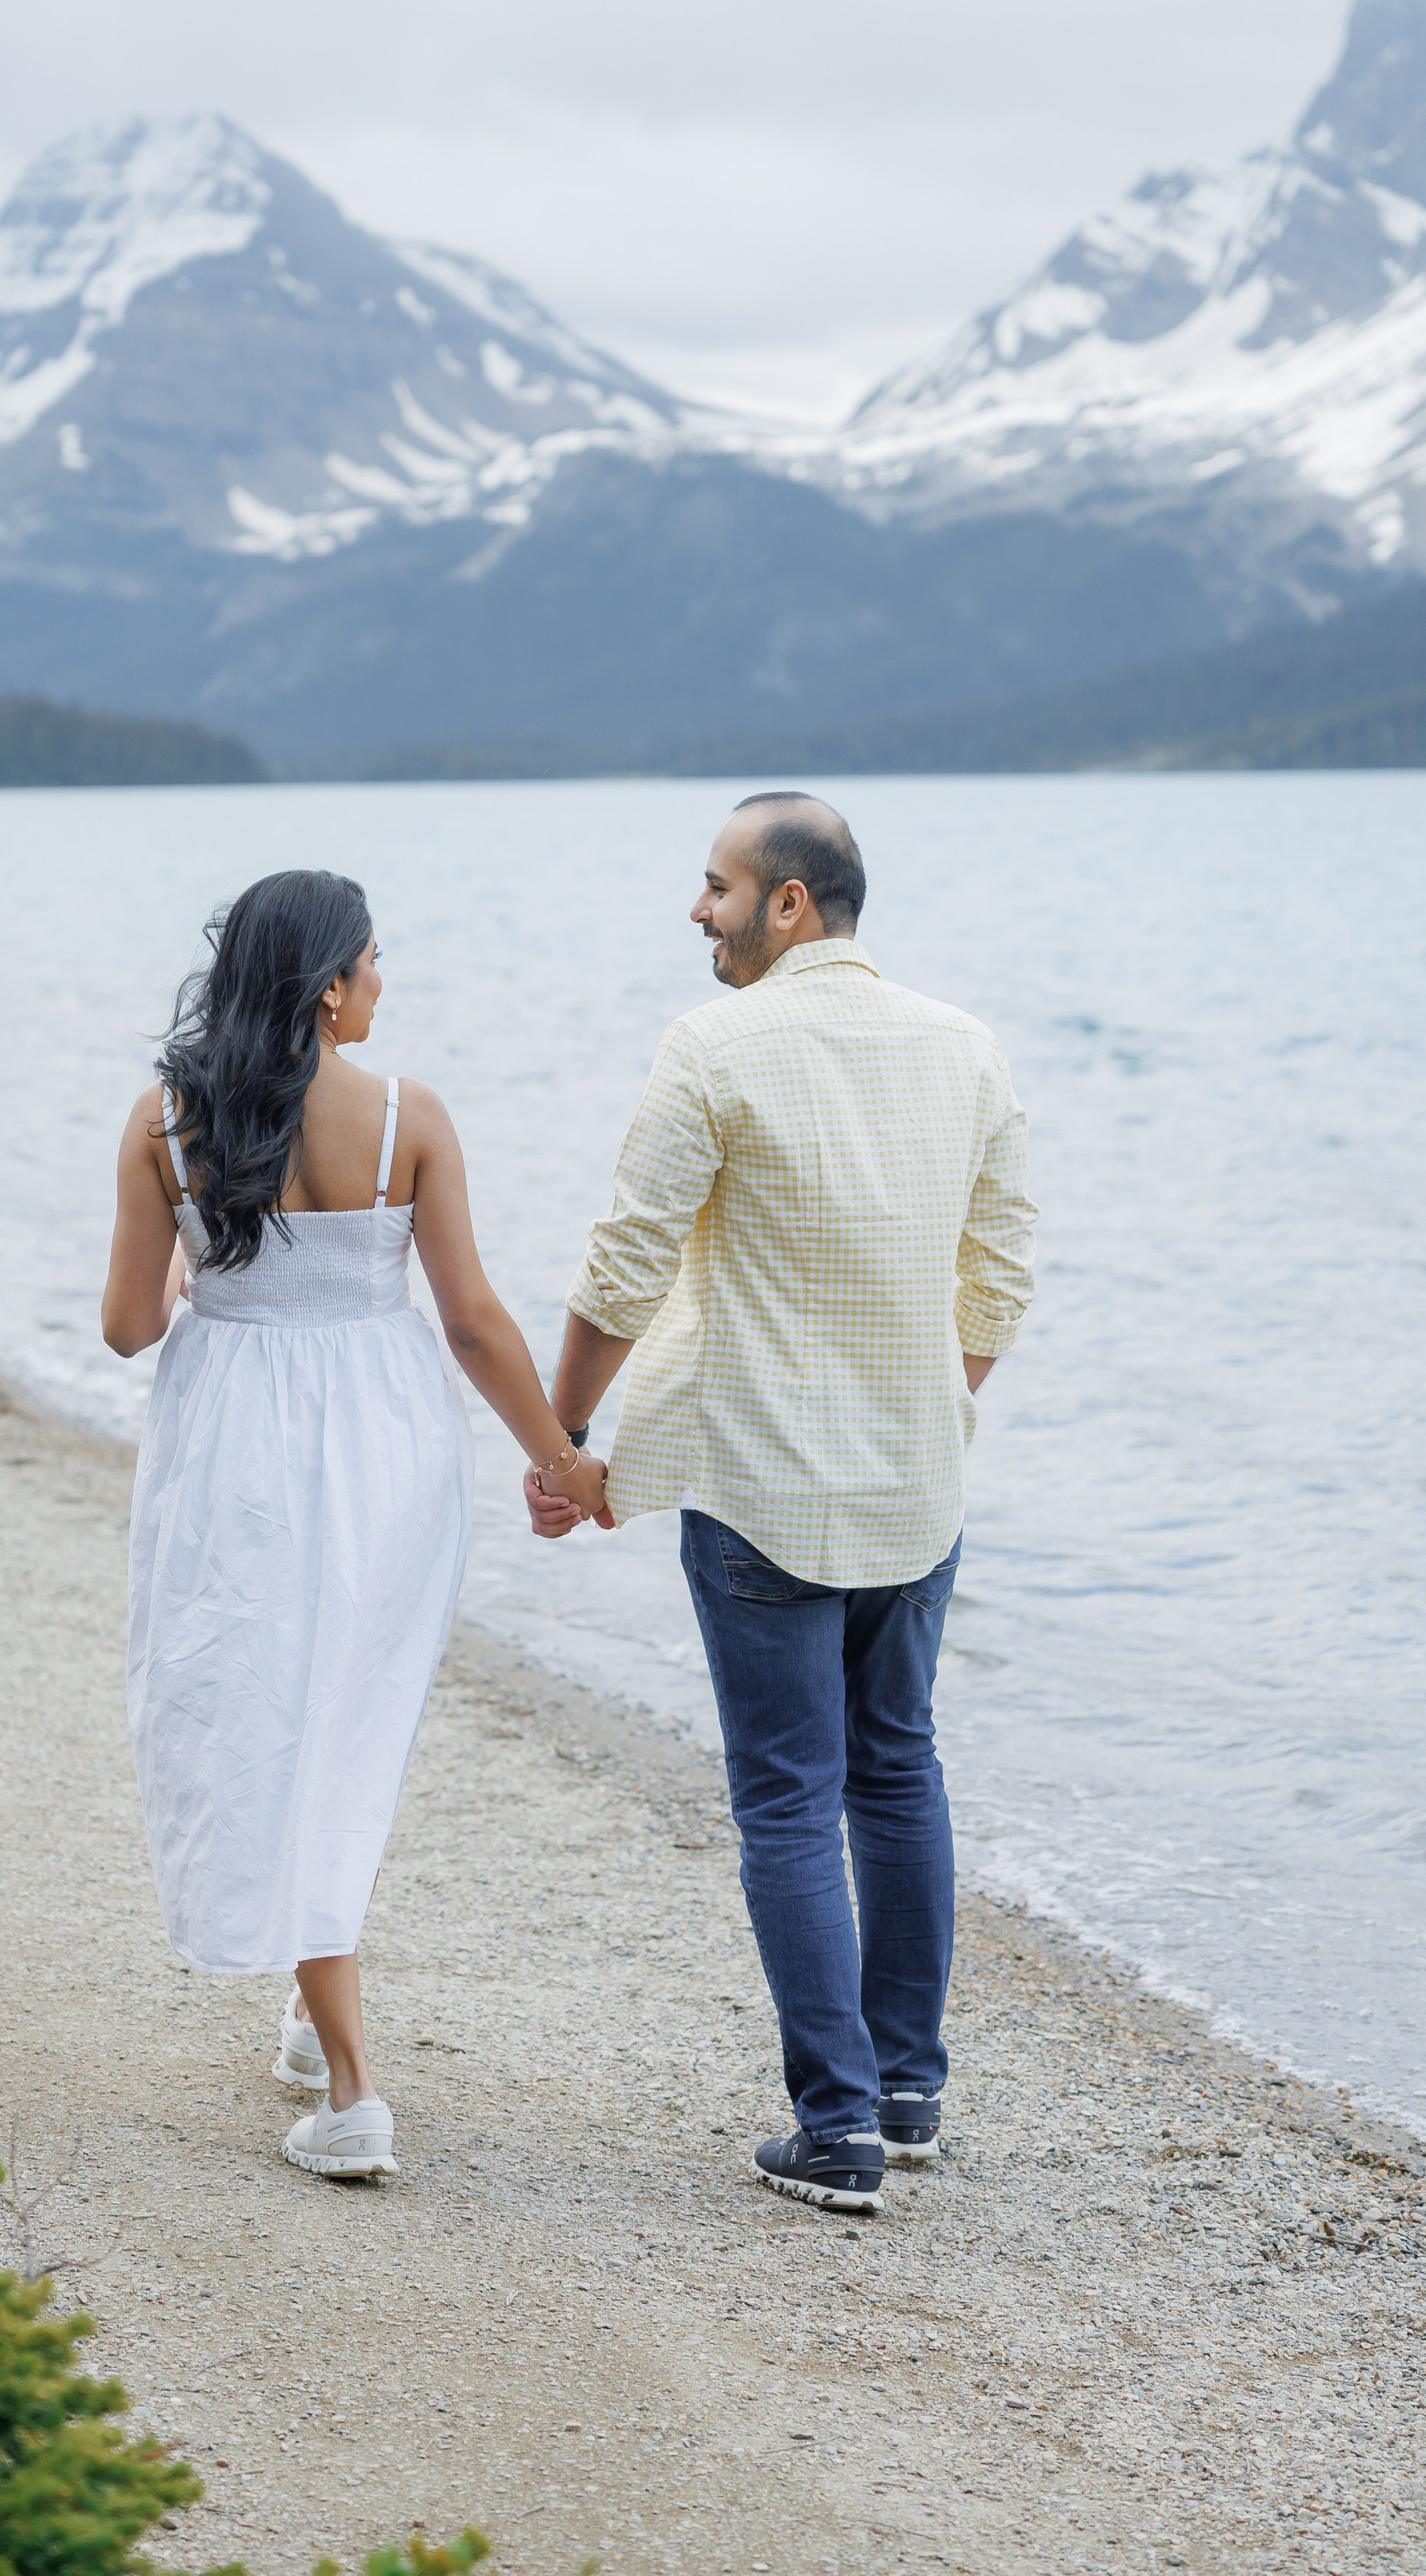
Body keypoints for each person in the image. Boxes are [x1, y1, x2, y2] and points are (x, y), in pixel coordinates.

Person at [528, 794, 1035, 2213]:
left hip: (764, 1490)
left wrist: (564, 1437)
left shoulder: (715, 1046)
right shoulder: (967, 1046)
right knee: (898, 1768)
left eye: (718, 885)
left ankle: (838, 2129)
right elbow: (1001, 1269)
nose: (699, 908)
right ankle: (907, 2094)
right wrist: (929, 1403)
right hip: (917, 1490)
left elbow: (624, 1267)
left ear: (792, 902)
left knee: (792, 1801)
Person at [105, 868, 605, 2181]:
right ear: (328, 986)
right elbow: (474, 1323)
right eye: (372, 960)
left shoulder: (165, 1121)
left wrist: (199, 1264)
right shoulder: (407, 1119)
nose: (384, 980)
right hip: (387, 1449)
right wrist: (562, 1462)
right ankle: (332, 2049)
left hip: (232, 1449)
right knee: (345, 1719)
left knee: (258, 1712)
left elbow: (127, 1327)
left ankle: (348, 2082)